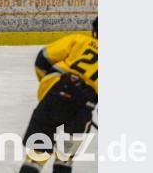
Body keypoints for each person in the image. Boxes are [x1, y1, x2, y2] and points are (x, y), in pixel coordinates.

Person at [19, 18, 98, 173]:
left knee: (37, 155)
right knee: (65, 159)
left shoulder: (79, 40)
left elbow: (43, 58)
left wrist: (48, 86)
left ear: (94, 31)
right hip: (83, 106)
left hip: (55, 95)